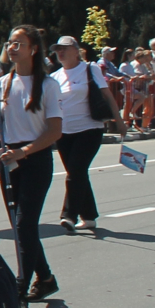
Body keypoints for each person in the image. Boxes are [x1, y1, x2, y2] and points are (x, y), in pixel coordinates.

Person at [0, 26, 63, 303]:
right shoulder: (5, 82)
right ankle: (45, 278)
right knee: (22, 226)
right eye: (10, 42)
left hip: (35, 158)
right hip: (8, 158)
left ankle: (21, 285)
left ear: (33, 49)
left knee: (24, 224)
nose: (12, 47)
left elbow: (54, 131)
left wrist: (25, 152)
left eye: (19, 43)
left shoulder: (48, 85)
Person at [51, 36, 112, 236]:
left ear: (76, 51)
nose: (61, 52)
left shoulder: (90, 69)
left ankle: (69, 215)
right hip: (64, 132)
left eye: (65, 49)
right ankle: (89, 216)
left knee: (75, 171)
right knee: (78, 173)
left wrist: (119, 120)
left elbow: (106, 94)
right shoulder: (55, 76)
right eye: (58, 49)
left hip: (89, 128)